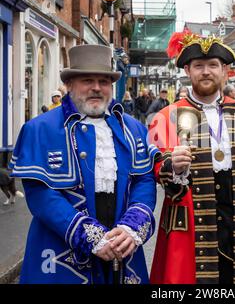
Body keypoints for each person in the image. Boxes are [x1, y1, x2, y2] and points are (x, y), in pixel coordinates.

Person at [9, 45, 160, 284]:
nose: (97, 88)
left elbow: (144, 179)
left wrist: (133, 227)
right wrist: (89, 236)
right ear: (70, 84)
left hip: (123, 253)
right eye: (87, 80)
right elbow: (40, 195)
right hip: (61, 251)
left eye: (104, 81)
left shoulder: (131, 128)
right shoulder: (40, 129)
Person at [149, 31, 235, 284]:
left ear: (224, 71)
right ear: (188, 71)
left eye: (213, 65)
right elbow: (156, 168)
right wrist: (172, 166)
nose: (206, 72)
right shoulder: (169, 114)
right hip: (192, 217)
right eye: (199, 66)